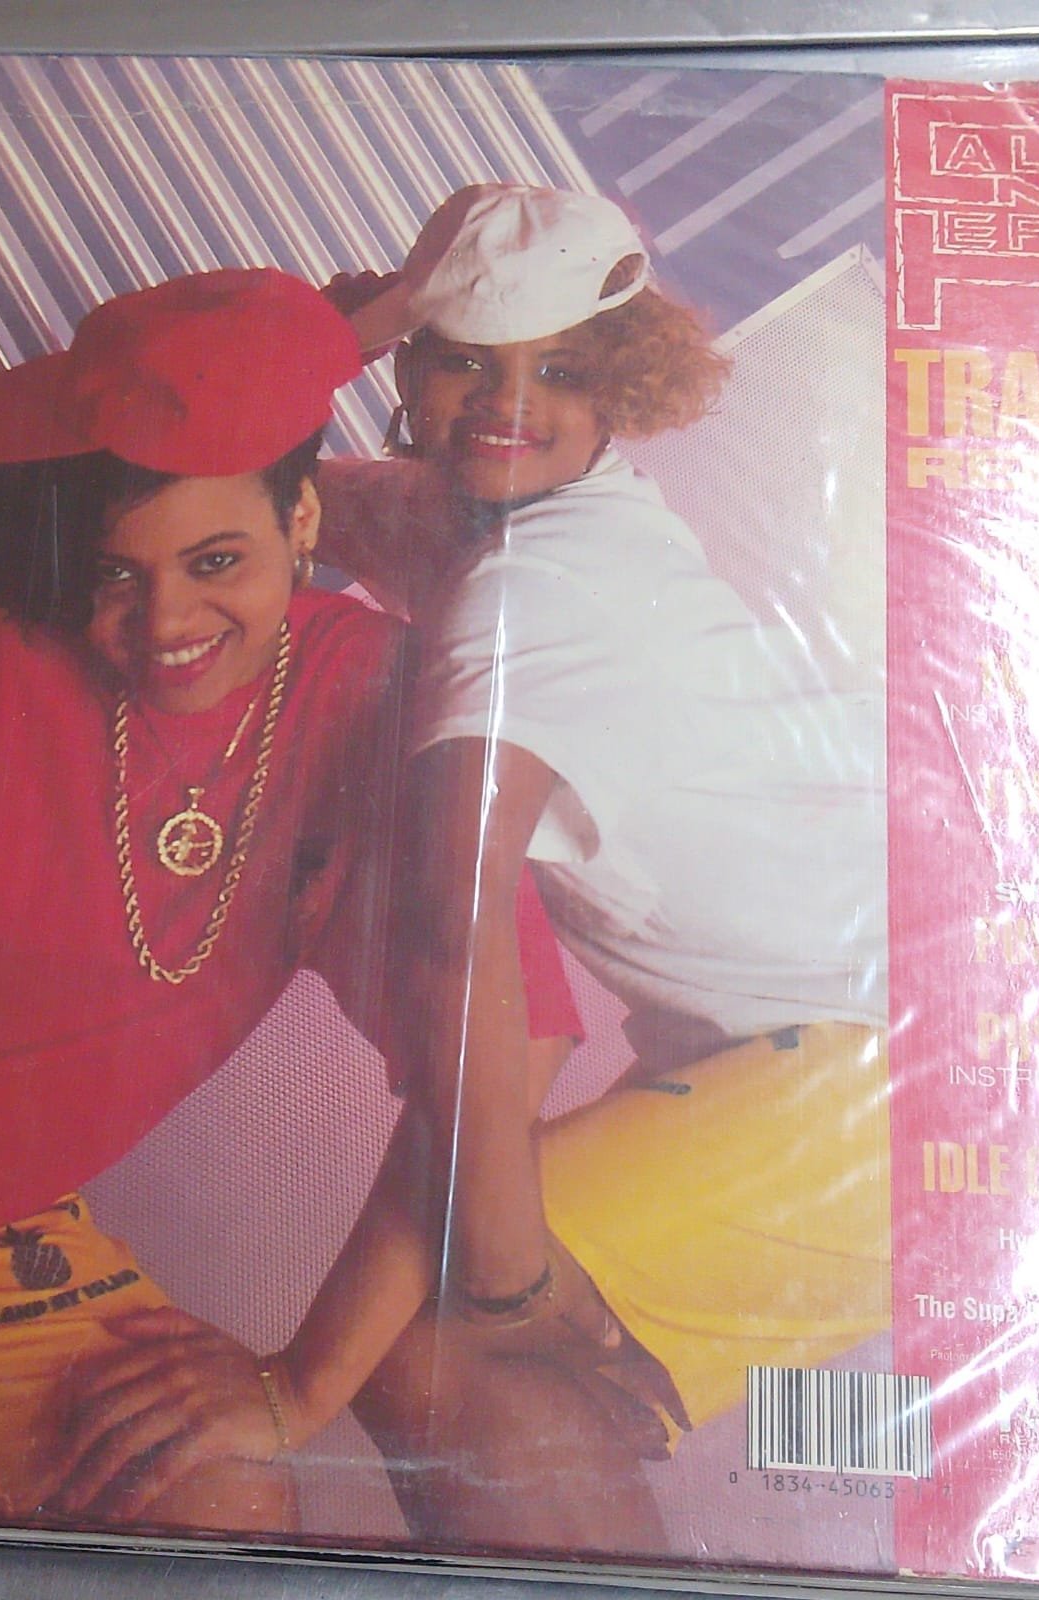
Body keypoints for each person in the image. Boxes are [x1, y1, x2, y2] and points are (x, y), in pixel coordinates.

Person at [0, 265, 580, 1535]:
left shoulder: (373, 700)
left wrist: (301, 1386)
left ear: (302, 517)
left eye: (215, 560)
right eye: (115, 575)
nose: (166, 620)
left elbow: (507, 1053)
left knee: (215, 1507)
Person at [317, 184, 891, 1552]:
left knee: (432, 1339)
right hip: (818, 1054)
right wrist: (346, 328)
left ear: (620, 384)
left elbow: (452, 926)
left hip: (870, 1072)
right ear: (408, 365)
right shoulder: (467, 515)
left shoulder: (538, 589)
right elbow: (239, 472)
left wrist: (510, 1274)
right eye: (466, 359)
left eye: (561, 369)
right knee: (469, 1365)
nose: (506, 405)